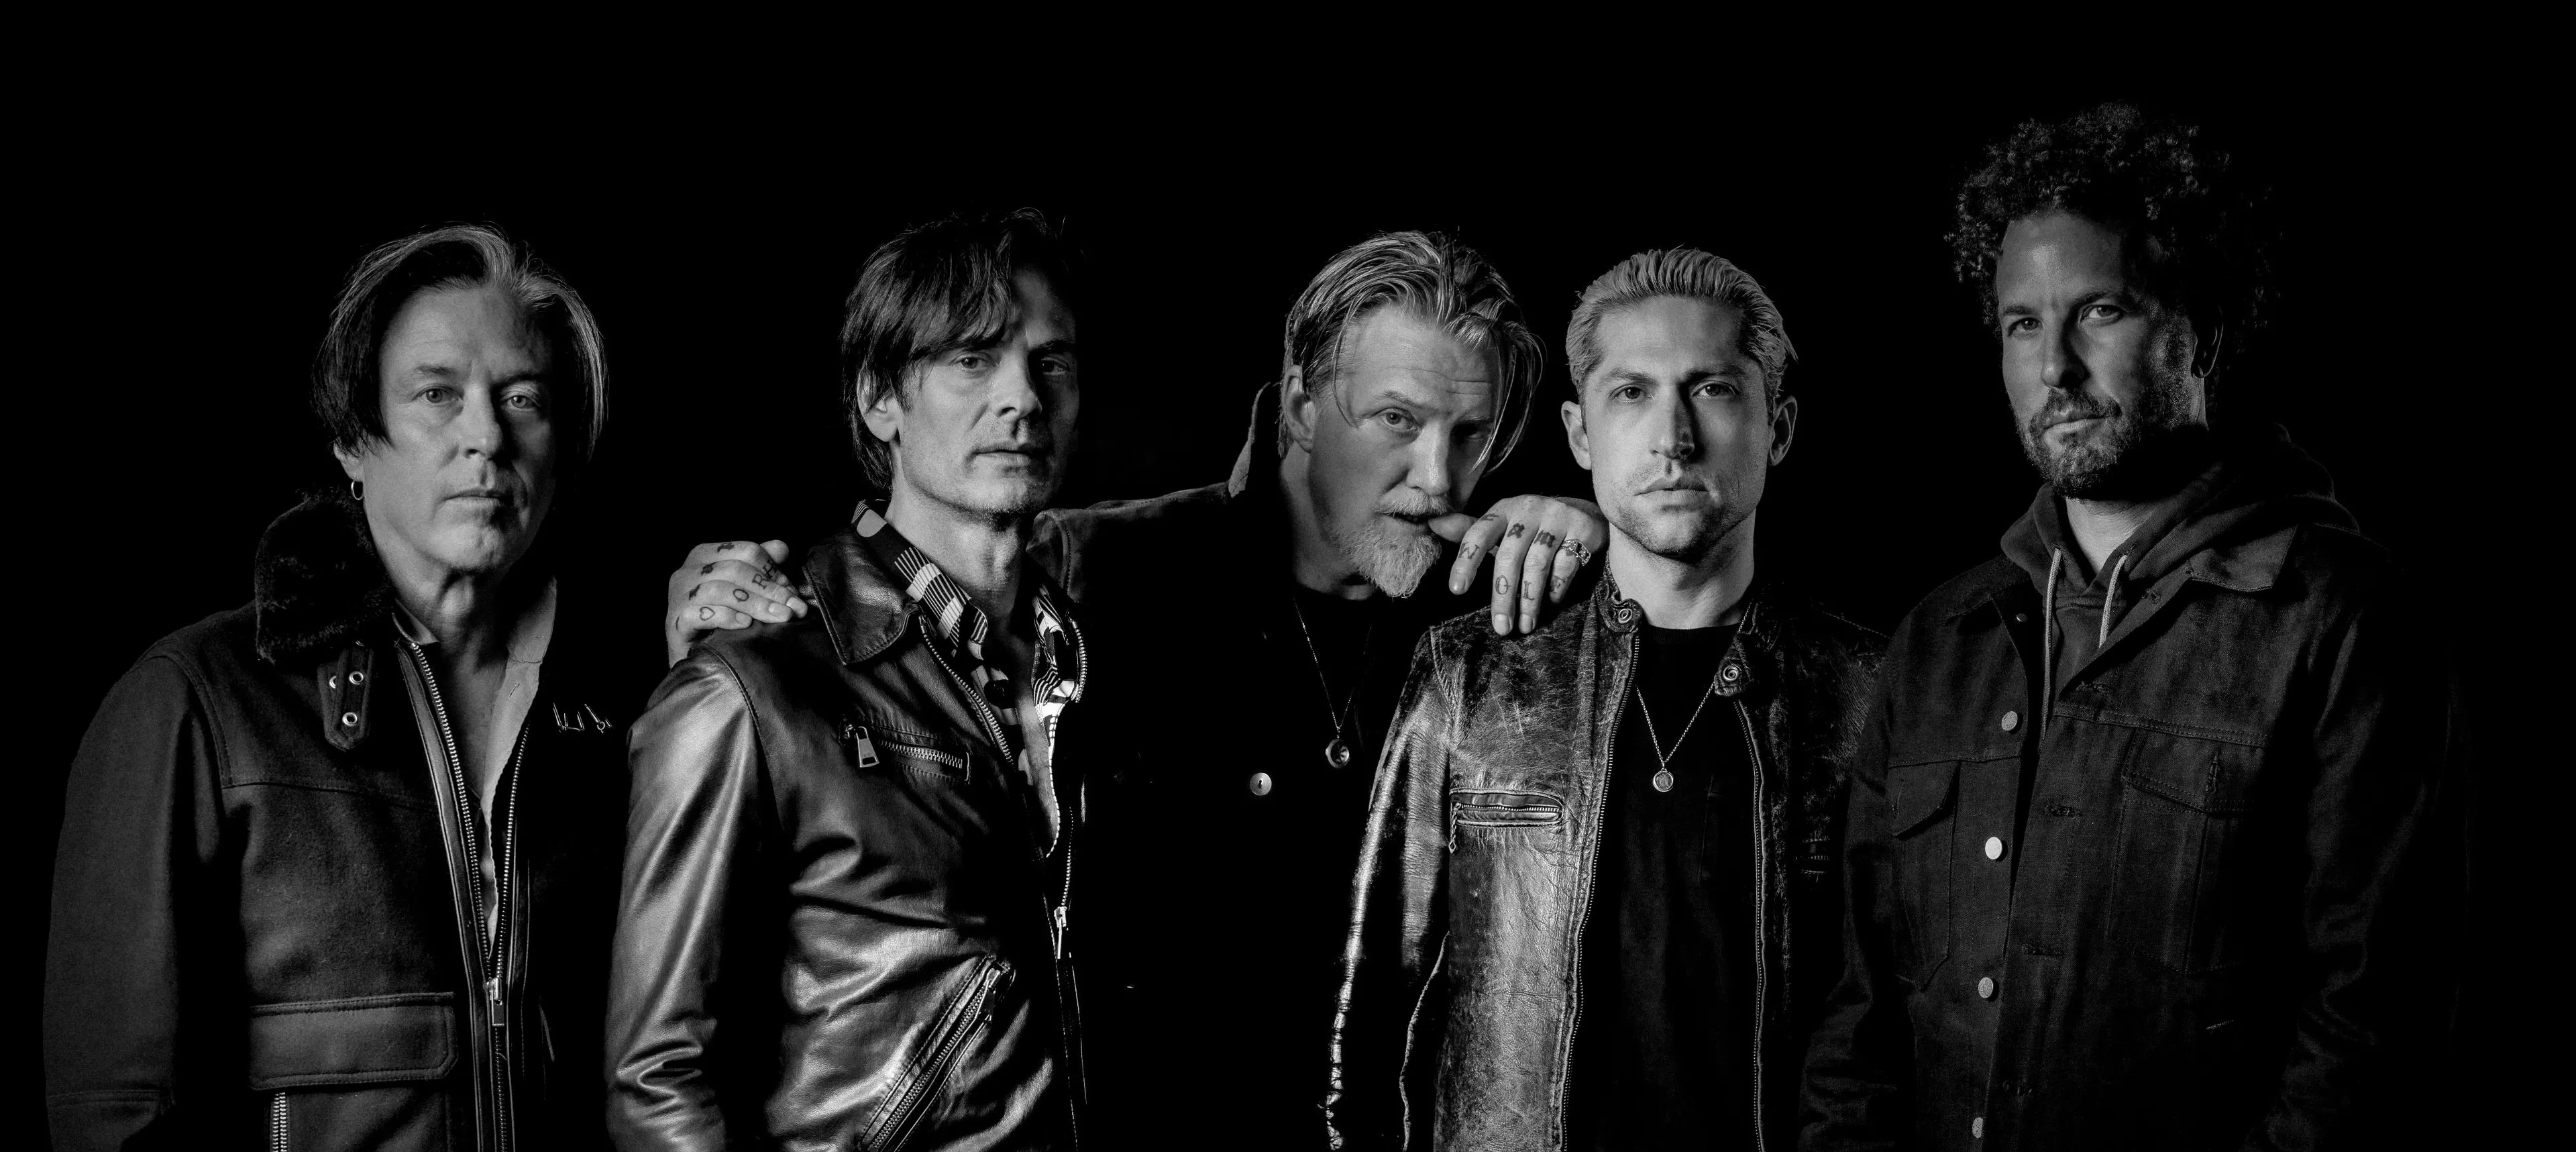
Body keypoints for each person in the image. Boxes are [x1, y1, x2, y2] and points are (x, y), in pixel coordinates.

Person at [665, 230, 1607, 1149]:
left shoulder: (1511, 613)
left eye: (1471, 433)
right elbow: (882, 613)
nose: (1438, 476)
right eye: (1396, 420)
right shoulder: (1088, 571)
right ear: (1300, 406)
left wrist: (1609, 554)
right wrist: (729, 606)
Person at [1799, 103, 2467, 1151]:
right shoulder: (1940, 641)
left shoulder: (2341, 619)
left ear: (2203, 328)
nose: (2055, 368)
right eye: (2022, 325)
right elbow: (1863, 1015)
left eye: (2100, 311)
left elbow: (2370, 1032)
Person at [44, 224, 629, 1151]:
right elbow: (116, 1113)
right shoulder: (196, 702)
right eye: (437, 394)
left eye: (523, 398)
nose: (486, 436)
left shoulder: (627, 708)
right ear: (355, 441)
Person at [1327, 249, 1882, 1151]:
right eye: (1632, 393)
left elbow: (1894, 1024)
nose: (1674, 438)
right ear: (1581, 434)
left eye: (1713, 389)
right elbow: (1369, 1012)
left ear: (1778, 427)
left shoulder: (1868, 690)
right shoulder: (1469, 675)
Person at [607, 211, 1091, 1151]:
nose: (1023, 398)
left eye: (1051, 364)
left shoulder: (1088, 668)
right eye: (972, 360)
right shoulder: (750, 684)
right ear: (880, 399)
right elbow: (656, 1080)